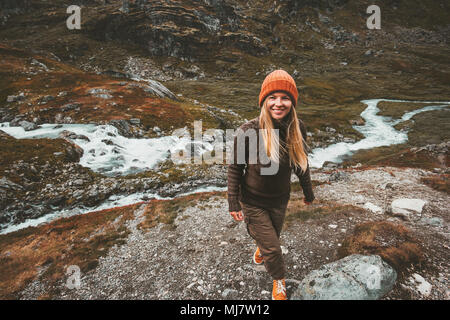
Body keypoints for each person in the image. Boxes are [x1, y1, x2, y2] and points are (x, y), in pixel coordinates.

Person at [227, 69, 315, 300]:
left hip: (280, 199)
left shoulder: (298, 128)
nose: (278, 103)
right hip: (252, 200)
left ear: (292, 102)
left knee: (271, 238)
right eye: (272, 98)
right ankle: (279, 280)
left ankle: (262, 248)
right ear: (264, 101)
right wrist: (233, 202)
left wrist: (308, 192)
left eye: (285, 98)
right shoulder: (248, 131)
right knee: (274, 249)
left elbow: (301, 164)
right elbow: (235, 167)